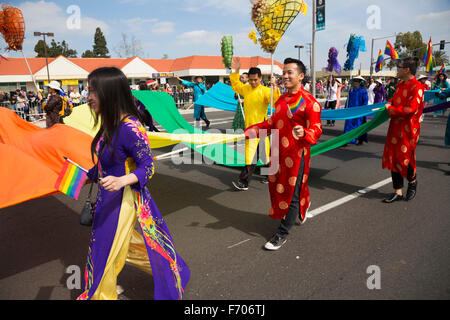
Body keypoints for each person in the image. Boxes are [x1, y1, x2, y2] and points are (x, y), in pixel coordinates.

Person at [78, 67, 190, 300]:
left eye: (93, 91)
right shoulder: (110, 123)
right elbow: (106, 162)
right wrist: (79, 175)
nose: (88, 97)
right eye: (88, 90)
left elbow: (147, 167)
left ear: (109, 93)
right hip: (108, 198)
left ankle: (101, 295)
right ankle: (172, 269)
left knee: (105, 248)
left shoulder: (131, 128)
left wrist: (121, 181)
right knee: (120, 246)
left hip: (124, 200)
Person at [244, 58, 322, 250]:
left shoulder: (309, 102)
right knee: (279, 187)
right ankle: (303, 206)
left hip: (296, 155)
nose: (284, 76)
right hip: (277, 154)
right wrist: (252, 130)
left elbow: (317, 128)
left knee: (291, 193)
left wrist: (305, 132)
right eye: (284, 72)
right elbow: (271, 124)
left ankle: (282, 233)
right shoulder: (280, 100)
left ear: (301, 76)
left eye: (289, 73)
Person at [230, 57, 280, 191]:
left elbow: (276, 102)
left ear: (260, 78)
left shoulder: (265, 91)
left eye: (255, 80)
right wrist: (236, 70)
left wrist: (274, 86)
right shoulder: (245, 89)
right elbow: (235, 85)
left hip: (262, 128)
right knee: (250, 156)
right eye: (251, 80)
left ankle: (269, 175)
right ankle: (244, 182)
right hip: (250, 129)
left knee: (264, 155)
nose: (253, 82)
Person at [382, 57, 425, 203]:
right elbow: (392, 100)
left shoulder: (417, 87)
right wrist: (388, 104)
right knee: (394, 157)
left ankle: (412, 183)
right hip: (395, 127)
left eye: (399, 67)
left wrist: (391, 109)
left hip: (408, 130)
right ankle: (398, 191)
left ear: (407, 70)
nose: (397, 69)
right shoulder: (400, 85)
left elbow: (410, 109)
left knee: (405, 158)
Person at [343, 76, 369, 145]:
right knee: (348, 125)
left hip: (359, 112)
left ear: (360, 83)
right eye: (354, 81)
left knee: (358, 126)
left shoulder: (363, 91)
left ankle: (359, 140)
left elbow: (365, 101)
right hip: (351, 111)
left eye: (357, 82)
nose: (355, 83)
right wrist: (346, 108)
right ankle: (346, 140)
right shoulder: (351, 90)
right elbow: (347, 101)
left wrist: (363, 110)